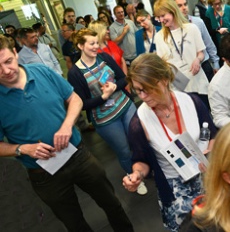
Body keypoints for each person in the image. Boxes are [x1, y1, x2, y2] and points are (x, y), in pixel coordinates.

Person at [0, 35, 134, 232]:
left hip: (77, 155)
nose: (5, 71)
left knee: (111, 202)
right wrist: (23, 149)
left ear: (15, 53)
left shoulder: (41, 72)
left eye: (7, 61)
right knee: (74, 223)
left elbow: (75, 99)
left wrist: (66, 125)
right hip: (43, 172)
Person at [123, 53, 217, 232]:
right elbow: (140, 159)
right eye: (138, 90)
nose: (142, 96)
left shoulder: (192, 102)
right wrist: (137, 175)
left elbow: (212, 134)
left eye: (147, 89)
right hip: (174, 188)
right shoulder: (139, 123)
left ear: (164, 80)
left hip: (206, 176)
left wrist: (208, 154)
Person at [67, 29, 137, 179]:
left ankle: (145, 168)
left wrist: (114, 87)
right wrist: (103, 97)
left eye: (96, 43)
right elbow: (83, 104)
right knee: (124, 150)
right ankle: (133, 176)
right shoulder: (74, 73)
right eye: (91, 43)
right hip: (105, 119)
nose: (96, 46)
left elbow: (123, 78)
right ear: (80, 46)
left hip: (125, 105)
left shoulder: (104, 57)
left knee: (138, 141)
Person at [154, 0, 209, 106]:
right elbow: (163, 64)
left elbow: (201, 53)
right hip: (178, 87)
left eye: (163, 15)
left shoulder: (191, 28)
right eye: (159, 17)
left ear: (173, 11)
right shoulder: (159, 37)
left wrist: (198, 60)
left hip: (197, 81)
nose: (161, 20)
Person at [173, 0, 220, 81]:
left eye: (185, 4)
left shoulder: (197, 22)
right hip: (188, 68)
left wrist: (216, 63)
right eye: (179, 6)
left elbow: (208, 43)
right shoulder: (173, 28)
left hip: (204, 65)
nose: (184, 8)